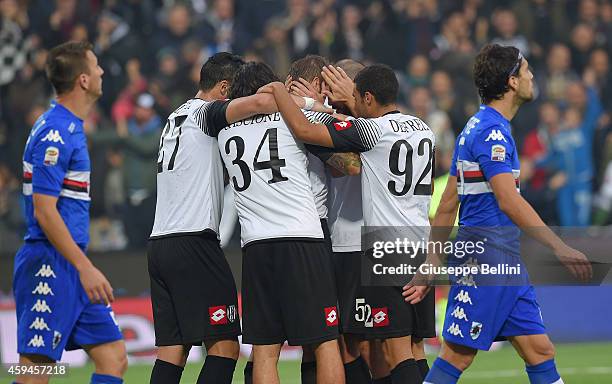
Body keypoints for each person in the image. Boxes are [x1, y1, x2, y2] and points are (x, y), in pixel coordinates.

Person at [402, 44, 592, 384]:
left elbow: (447, 204)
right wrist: (558, 246)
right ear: (512, 82)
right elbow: (508, 200)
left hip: (503, 260)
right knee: (457, 355)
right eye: (527, 71)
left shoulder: (476, 127)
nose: (533, 77)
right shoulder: (492, 133)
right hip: (487, 259)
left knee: (539, 350)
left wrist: (433, 261)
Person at [148, 53, 333, 384]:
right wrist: (308, 102)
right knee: (225, 348)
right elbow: (263, 103)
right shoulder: (208, 114)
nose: (238, 100)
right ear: (223, 89)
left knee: (173, 350)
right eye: (233, 94)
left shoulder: (174, 118)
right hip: (195, 241)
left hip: (160, 242)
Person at [262, 63, 437, 384]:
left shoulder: (373, 131)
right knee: (414, 348)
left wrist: (305, 103)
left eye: (353, 92)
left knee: (394, 352)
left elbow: (306, 132)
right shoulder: (423, 127)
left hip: (384, 248)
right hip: (419, 244)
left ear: (366, 97)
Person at [210, 61, 347, 384]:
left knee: (265, 350)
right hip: (302, 239)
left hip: (256, 246)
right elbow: (347, 154)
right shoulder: (293, 119)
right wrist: (320, 105)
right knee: (325, 341)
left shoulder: (224, 131)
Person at [13, 41, 126, 384]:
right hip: (49, 263)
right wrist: (84, 266)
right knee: (34, 372)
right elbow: (44, 212)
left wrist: (80, 266)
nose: (102, 71)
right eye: (96, 66)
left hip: (70, 263)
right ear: (83, 80)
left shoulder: (70, 127)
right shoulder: (56, 133)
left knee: (114, 358)